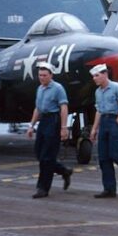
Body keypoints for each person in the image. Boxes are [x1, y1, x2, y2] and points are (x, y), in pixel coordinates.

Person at [89, 64, 118, 198]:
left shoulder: (117, 88)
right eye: (93, 76)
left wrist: (117, 122)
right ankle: (109, 189)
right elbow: (99, 111)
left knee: (116, 154)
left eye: (97, 75)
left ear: (105, 74)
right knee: (103, 158)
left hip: (114, 120)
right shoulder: (98, 91)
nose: (95, 78)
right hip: (104, 121)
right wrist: (94, 129)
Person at [26, 62, 73, 198]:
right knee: (39, 153)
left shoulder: (58, 88)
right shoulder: (40, 89)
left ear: (51, 75)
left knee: (47, 157)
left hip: (54, 120)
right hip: (43, 121)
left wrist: (64, 128)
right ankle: (64, 171)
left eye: (45, 75)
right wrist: (31, 125)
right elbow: (38, 108)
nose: (42, 78)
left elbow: (64, 108)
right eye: (40, 75)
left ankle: (43, 188)